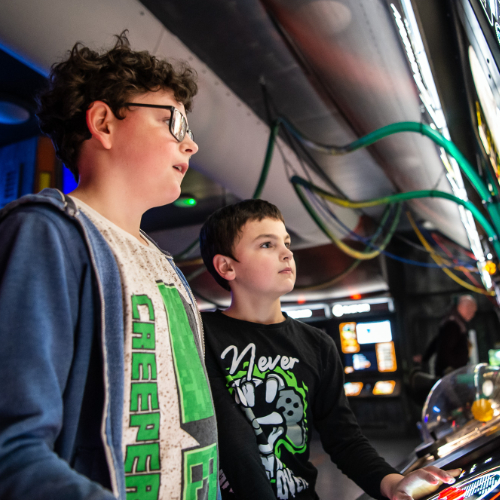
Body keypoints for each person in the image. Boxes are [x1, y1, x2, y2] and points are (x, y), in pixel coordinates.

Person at [0, 33, 218, 500]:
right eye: (173, 122)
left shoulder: (164, 264)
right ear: (104, 122)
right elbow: (12, 447)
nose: (191, 145)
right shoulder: (50, 235)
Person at [199, 199, 460, 500]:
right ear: (227, 266)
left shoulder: (317, 345)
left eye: (286, 242)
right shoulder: (200, 334)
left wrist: (390, 482)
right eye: (267, 245)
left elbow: (344, 439)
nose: (287, 253)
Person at [422, 295, 477, 378]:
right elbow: (443, 349)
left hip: (451, 374)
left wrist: (425, 358)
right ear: (465, 307)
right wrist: (453, 368)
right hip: (450, 376)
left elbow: (436, 341)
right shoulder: (453, 324)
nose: (473, 314)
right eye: (472, 310)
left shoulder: (454, 322)